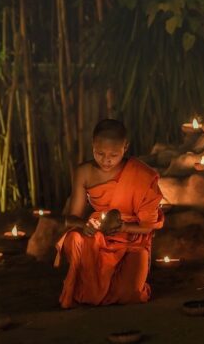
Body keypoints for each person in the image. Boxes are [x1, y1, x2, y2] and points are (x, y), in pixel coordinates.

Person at [55, 119, 164, 308]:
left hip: (132, 238)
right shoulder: (84, 172)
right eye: (100, 153)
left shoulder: (141, 175)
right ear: (92, 146)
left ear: (125, 147)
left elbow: (147, 227)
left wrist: (122, 227)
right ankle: (86, 288)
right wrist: (85, 225)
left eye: (114, 154)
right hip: (99, 234)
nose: (106, 160)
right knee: (74, 239)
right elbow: (71, 218)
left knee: (130, 295)